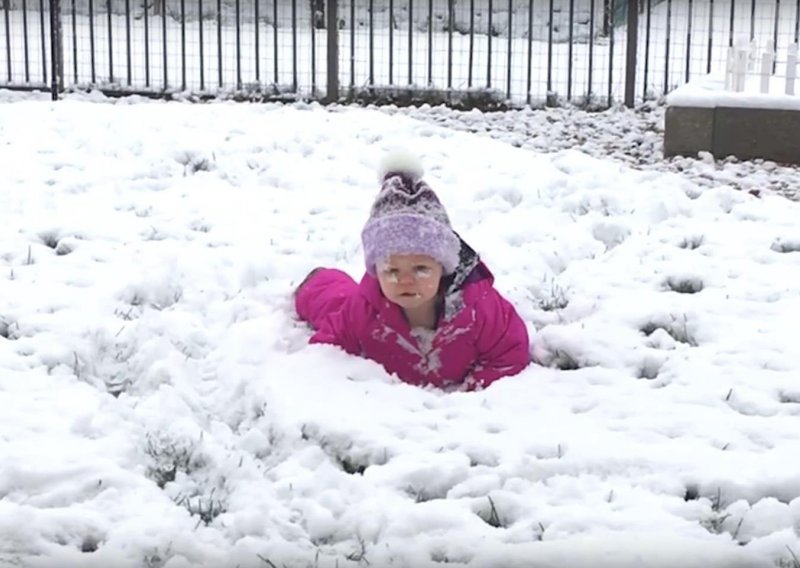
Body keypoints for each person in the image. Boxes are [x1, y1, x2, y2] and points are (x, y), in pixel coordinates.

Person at [294, 151, 531, 390]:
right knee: (335, 302)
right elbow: (327, 349)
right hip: (365, 320)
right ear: (377, 270)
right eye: (392, 271)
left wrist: (469, 394)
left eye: (420, 269)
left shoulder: (481, 308)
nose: (405, 280)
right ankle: (316, 282)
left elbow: (510, 353)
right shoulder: (362, 310)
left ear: (444, 266)